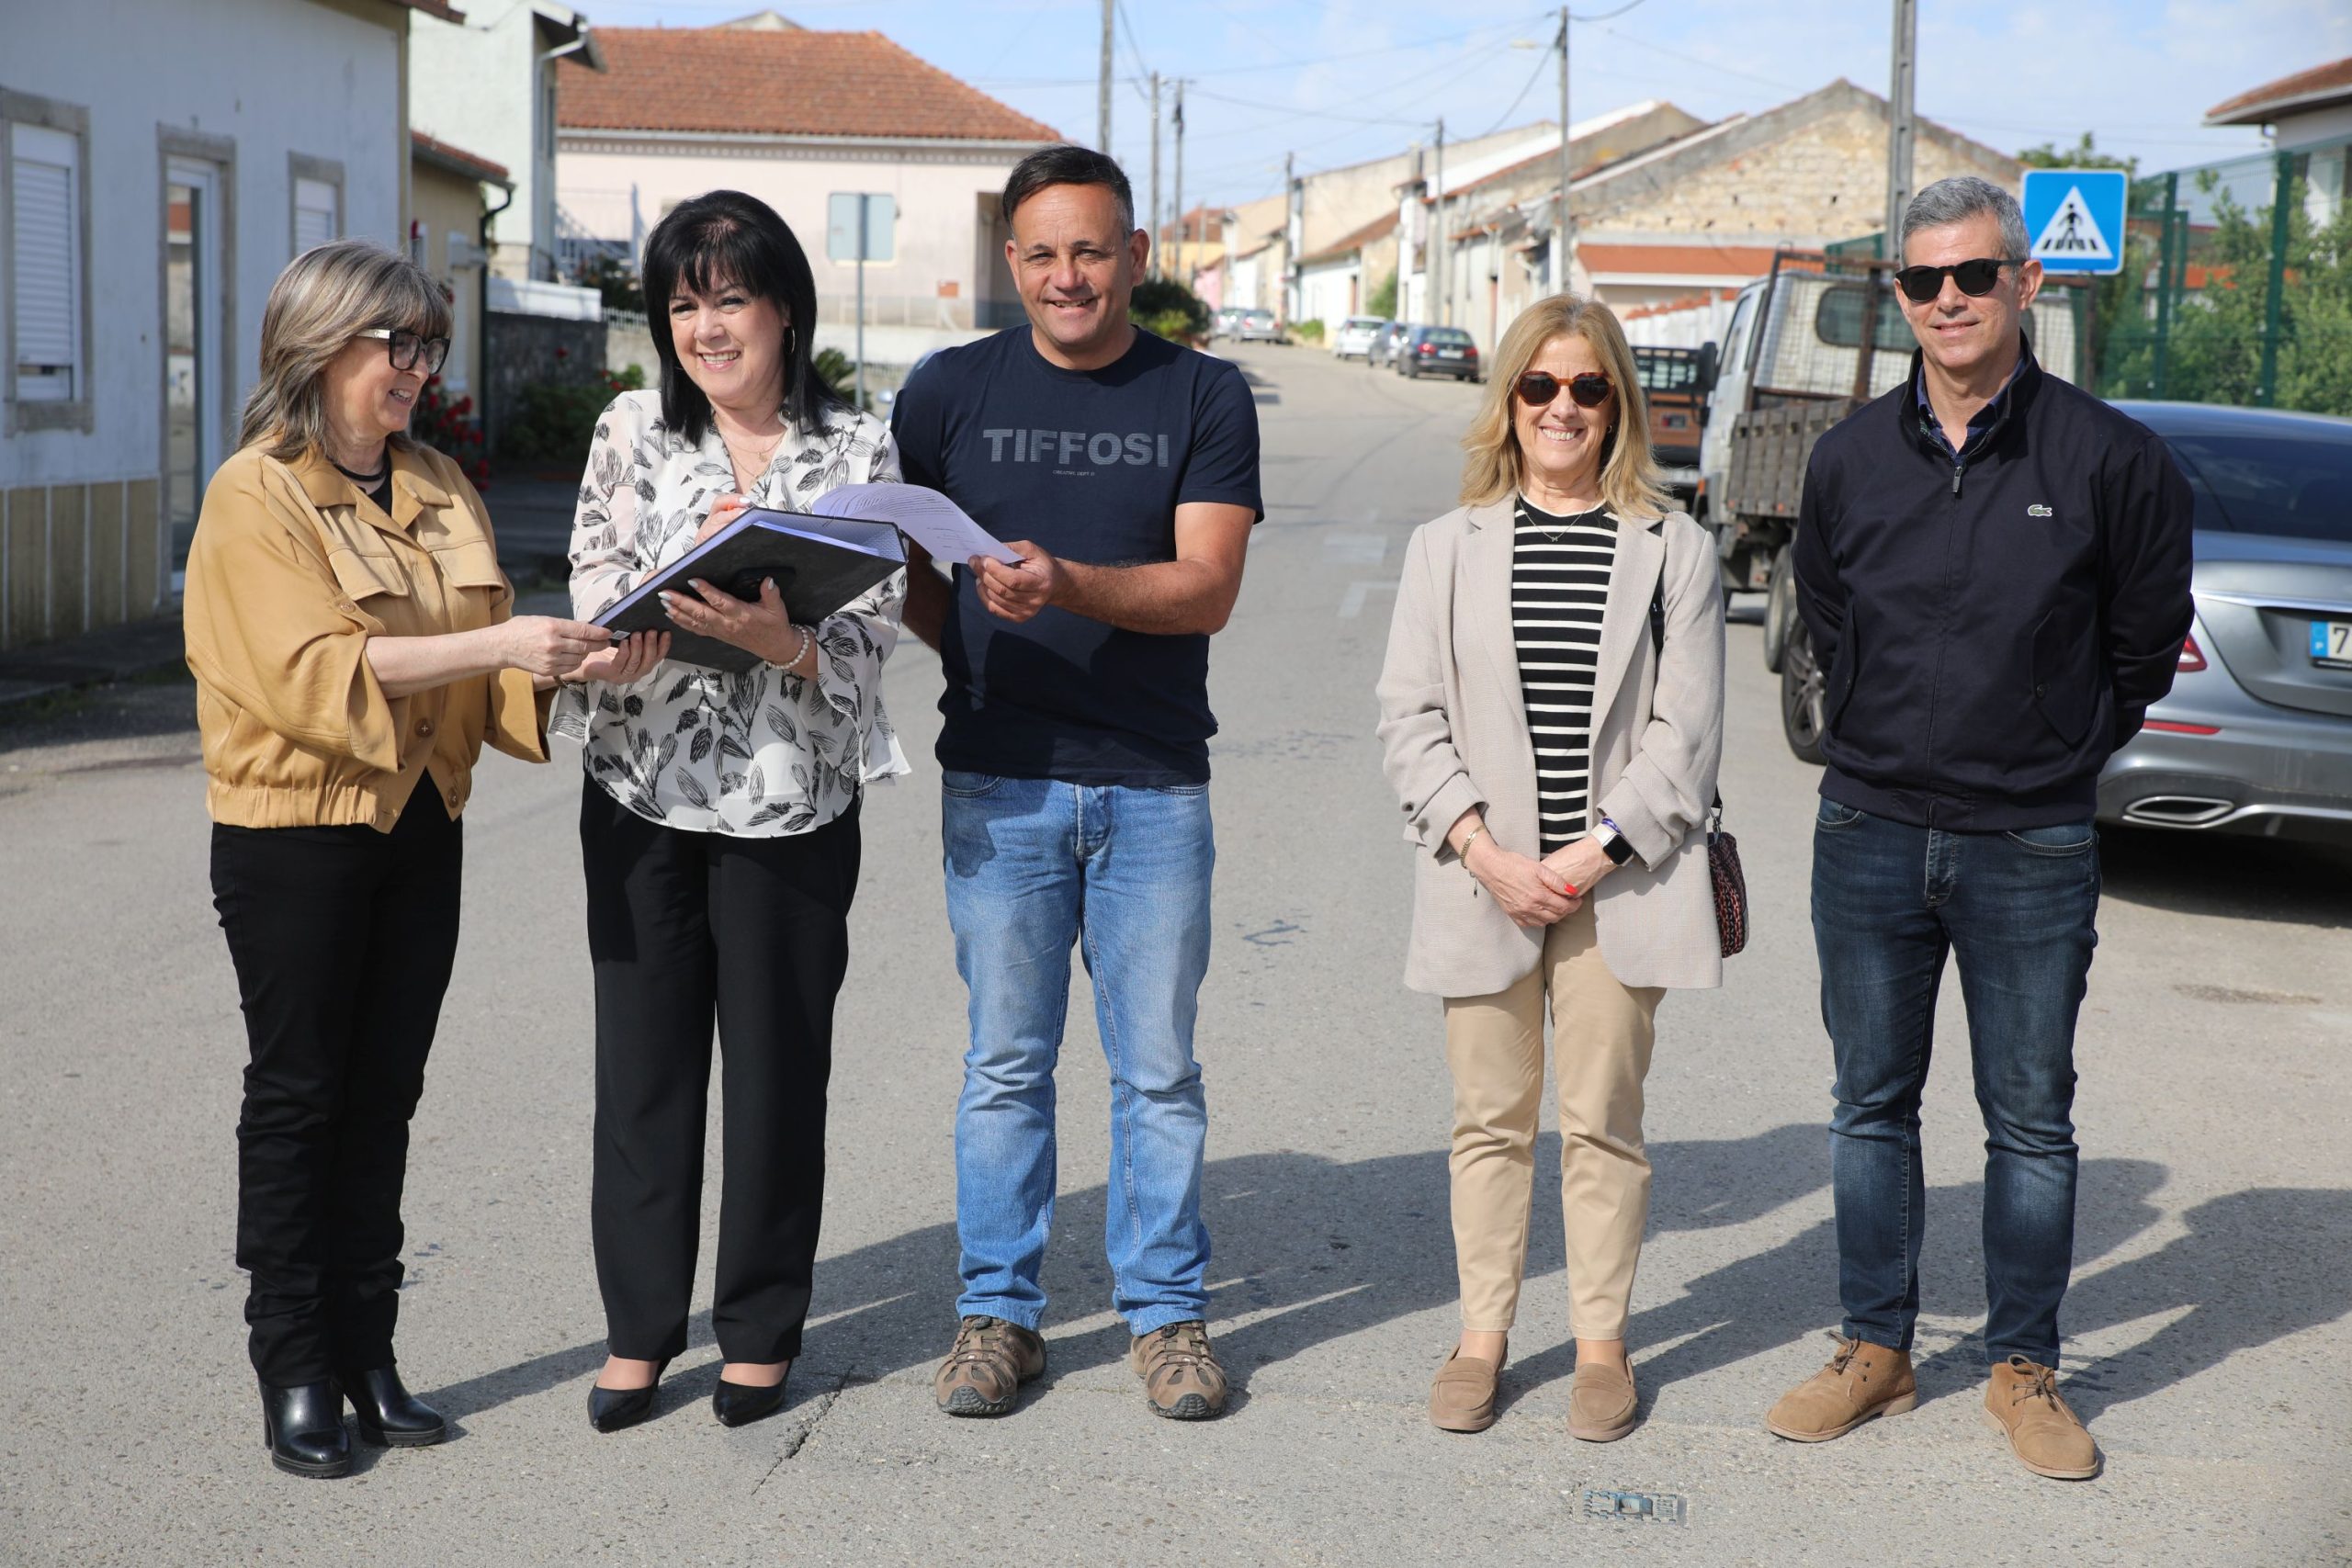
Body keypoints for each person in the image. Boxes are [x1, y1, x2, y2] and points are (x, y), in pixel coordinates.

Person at [1767, 175, 2193, 1480]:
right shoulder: (1848, 458)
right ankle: (1875, 1349)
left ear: (2025, 282)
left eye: (1971, 275)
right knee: (1868, 1104)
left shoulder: (2110, 458)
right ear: (1898, 295)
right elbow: (1827, 615)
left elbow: (2141, 645)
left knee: (2030, 1118)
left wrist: (2055, 742)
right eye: (1922, 279)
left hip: (2031, 841)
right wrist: (1876, 728)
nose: (1946, 299)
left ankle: (2023, 1368)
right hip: (1870, 826)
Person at [187, 240, 635, 1479]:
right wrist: (503, 643)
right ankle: (293, 1363)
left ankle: (367, 1355)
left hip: (420, 821)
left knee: (384, 1090)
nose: (419, 369)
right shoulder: (254, 495)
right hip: (295, 832)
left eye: (429, 346)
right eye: (399, 344)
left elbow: (484, 670)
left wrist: (579, 660)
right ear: (321, 343)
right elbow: (313, 672)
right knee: (300, 1095)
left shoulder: (436, 482)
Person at [888, 144, 1261, 1422]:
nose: (1067, 276)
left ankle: (1165, 1316)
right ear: (1011, 261)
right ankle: (999, 1313)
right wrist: (980, 647)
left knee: (1157, 1072)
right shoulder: (946, 390)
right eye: (1042, 253)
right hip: (999, 780)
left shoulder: (1202, 393)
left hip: (1153, 783)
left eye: (1091, 250)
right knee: (1006, 1063)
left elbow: (1208, 586)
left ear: (1135, 257)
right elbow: (908, 572)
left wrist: (1066, 587)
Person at [555, 190, 907, 1434]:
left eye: (731, 299)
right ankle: (639, 1331)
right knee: (642, 1074)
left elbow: (873, 633)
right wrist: (622, 626)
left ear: (785, 310)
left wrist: (784, 641)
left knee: (775, 1074)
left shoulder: (858, 450)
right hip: (640, 788)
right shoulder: (629, 429)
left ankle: (758, 1329)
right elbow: (593, 577)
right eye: (683, 304)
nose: (707, 327)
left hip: (791, 803)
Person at [1375, 294, 1725, 1440]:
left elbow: (1687, 734)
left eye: (1586, 387)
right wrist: (1485, 851)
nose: (1561, 407)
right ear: (1510, 400)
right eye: (1539, 385)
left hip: (1619, 880)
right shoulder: (1446, 546)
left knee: (1602, 1121)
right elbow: (1408, 719)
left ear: (1616, 402)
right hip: (1484, 877)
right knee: (1489, 1120)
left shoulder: (1675, 547)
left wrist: (1587, 853)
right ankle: (1481, 1337)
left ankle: (1600, 1343)